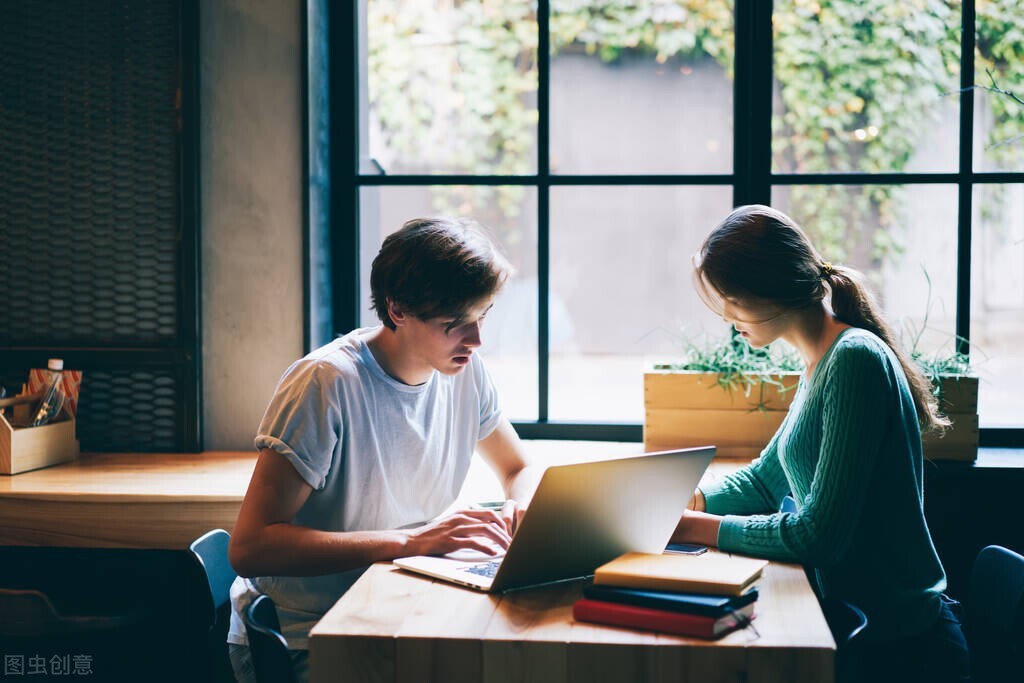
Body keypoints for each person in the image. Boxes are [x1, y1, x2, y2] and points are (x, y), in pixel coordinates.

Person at [225, 217, 543, 683]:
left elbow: (518, 466)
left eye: (482, 317)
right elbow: (250, 547)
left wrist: (525, 518)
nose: (476, 341)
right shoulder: (326, 384)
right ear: (397, 310)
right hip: (311, 633)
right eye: (454, 324)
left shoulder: (464, 370)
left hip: (398, 610)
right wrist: (411, 543)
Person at [672, 205, 969, 682]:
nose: (729, 319)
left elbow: (819, 536)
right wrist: (688, 499)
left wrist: (691, 527)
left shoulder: (854, 360)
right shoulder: (820, 360)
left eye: (733, 300)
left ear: (770, 289)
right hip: (865, 625)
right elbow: (765, 480)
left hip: (902, 647)